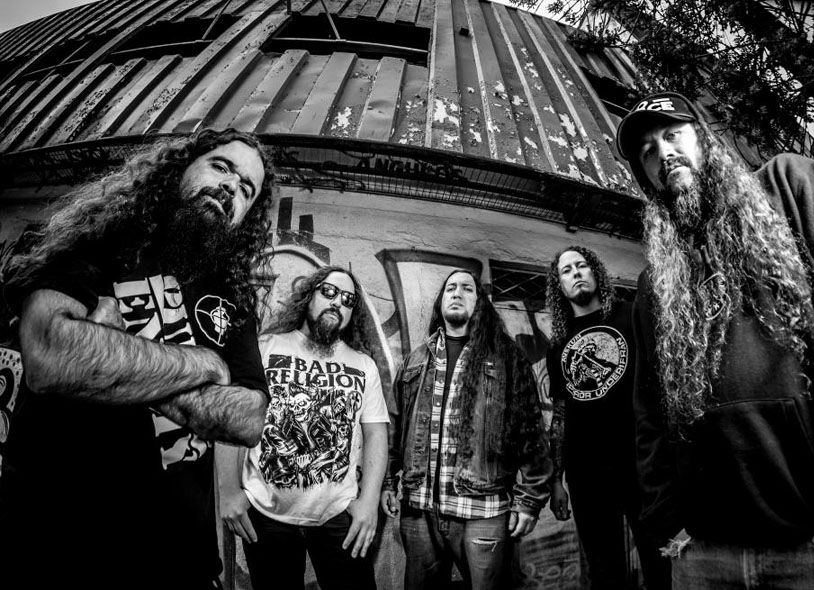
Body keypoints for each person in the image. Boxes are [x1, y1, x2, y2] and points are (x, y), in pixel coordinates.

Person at [617, 91, 814, 589]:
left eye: (673, 134)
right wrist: (669, 528)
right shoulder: (655, 282)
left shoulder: (794, 188)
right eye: (647, 151)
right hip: (706, 557)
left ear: (706, 139)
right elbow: (649, 416)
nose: (663, 153)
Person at [0, 128, 276, 590]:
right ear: (179, 168)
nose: (231, 187)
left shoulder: (232, 297)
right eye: (221, 167)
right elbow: (50, 353)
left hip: (178, 557)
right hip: (55, 543)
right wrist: (203, 364)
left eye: (247, 189)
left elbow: (248, 418)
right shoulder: (96, 240)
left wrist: (110, 356)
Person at [380, 268, 552, 590]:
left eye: (467, 288)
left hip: (483, 511)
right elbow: (394, 425)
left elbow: (531, 432)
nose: (457, 293)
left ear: (480, 303)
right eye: (450, 288)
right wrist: (388, 482)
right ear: (441, 302)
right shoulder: (417, 359)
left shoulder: (506, 357)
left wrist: (530, 499)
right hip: (420, 511)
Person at [219, 265, 389, 590]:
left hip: (338, 512)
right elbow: (233, 418)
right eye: (329, 292)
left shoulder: (363, 365)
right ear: (308, 296)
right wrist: (228, 493)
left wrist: (369, 502)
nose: (338, 302)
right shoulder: (266, 346)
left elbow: (376, 434)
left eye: (348, 300)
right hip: (266, 512)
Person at [544, 245, 670, 590]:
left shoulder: (631, 316)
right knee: (604, 572)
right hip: (587, 473)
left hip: (641, 464)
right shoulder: (558, 345)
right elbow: (560, 414)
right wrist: (556, 480)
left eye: (581, 265)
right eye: (566, 270)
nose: (576, 273)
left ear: (595, 272)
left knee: (661, 561)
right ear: (559, 286)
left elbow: (660, 386)